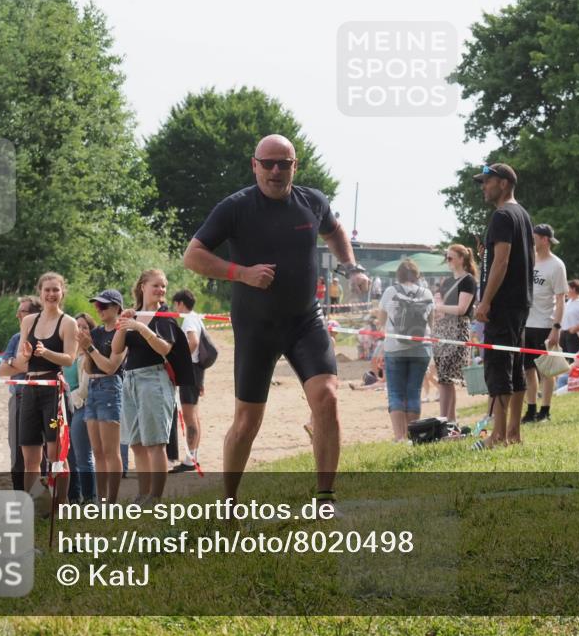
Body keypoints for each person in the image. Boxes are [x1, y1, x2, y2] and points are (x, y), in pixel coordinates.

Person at [182, 134, 369, 503]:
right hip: (257, 328)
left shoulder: (312, 201)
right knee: (247, 423)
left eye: (283, 163)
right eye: (267, 163)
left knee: (327, 398)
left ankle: (325, 497)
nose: (275, 170)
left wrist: (351, 267)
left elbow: (335, 231)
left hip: (305, 321)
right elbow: (193, 255)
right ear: (254, 165)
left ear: (294, 166)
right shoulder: (234, 208)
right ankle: (230, 501)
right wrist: (241, 273)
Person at [472, 163, 534, 447]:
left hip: (502, 304)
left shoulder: (502, 215)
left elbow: (503, 261)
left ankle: (497, 435)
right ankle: (513, 433)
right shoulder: (522, 214)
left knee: (498, 368)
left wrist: (484, 302)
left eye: (488, 181)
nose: (484, 186)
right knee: (516, 366)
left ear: (504, 184)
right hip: (520, 303)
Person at [111, 269, 177, 504]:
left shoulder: (164, 316)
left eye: (163, 286)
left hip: (154, 380)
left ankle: (155, 497)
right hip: (129, 380)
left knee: (155, 442)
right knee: (137, 443)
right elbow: (117, 350)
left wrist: (141, 328)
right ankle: (143, 494)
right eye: (156, 285)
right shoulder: (133, 315)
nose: (160, 290)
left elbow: (164, 349)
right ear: (142, 287)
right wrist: (123, 324)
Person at [12, 272, 78, 503]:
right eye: (47, 290)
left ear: (62, 292)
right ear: (40, 292)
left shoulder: (68, 323)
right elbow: (21, 360)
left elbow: (70, 359)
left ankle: (61, 503)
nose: (51, 294)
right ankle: (32, 504)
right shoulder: (29, 321)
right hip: (30, 387)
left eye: (55, 290)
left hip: (54, 390)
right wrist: (25, 355)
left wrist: (47, 353)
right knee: (29, 455)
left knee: (56, 455)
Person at [377, 259, 435, 440]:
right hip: (421, 347)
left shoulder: (390, 291)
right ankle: (412, 436)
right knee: (413, 392)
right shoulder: (427, 293)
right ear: (417, 275)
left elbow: (381, 322)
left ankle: (399, 436)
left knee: (395, 392)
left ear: (398, 275)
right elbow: (431, 324)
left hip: (395, 347)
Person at [80, 288, 128, 503]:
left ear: (117, 307)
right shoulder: (97, 332)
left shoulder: (122, 331)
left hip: (110, 386)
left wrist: (89, 349)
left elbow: (110, 367)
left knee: (111, 451)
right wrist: (85, 349)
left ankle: (113, 501)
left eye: (103, 305)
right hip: (93, 386)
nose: (98, 309)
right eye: (96, 305)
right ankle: (101, 499)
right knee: (97, 451)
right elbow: (90, 369)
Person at [521, 224, 567, 424]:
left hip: (545, 324)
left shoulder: (557, 265)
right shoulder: (529, 261)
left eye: (534, 238)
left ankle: (545, 411)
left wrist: (556, 328)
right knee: (528, 370)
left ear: (545, 239)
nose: (531, 241)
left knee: (547, 370)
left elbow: (561, 299)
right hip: (526, 324)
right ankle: (531, 409)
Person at [0, 296, 42, 491]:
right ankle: (20, 500)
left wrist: (14, 363)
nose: (17, 315)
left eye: (22, 311)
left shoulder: (47, 336)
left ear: (33, 315)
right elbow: (2, 370)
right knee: (17, 455)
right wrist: (18, 363)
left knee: (44, 454)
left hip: (44, 397)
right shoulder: (16, 338)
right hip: (18, 397)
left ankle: (44, 502)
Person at [432, 244, 478, 422]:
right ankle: (448, 421)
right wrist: (439, 305)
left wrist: (440, 306)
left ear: (461, 259)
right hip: (443, 329)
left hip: (457, 329)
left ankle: (446, 420)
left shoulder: (468, 280)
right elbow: (443, 305)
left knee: (447, 378)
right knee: (444, 378)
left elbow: (461, 309)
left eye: (450, 257)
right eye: (447, 257)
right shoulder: (448, 281)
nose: (448, 261)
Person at [169, 289, 205, 474]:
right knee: (194, 416)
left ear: (180, 303)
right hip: (196, 370)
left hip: (190, 369)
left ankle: (190, 459)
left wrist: (179, 360)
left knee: (190, 416)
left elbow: (194, 342)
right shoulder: (197, 318)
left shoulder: (189, 319)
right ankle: (193, 456)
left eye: (176, 304)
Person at [65, 313, 96, 504]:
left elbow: (84, 390)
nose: (81, 330)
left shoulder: (88, 355)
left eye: (85, 327)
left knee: (83, 455)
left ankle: (90, 499)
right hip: (65, 406)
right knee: (69, 456)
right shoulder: (70, 352)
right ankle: (74, 497)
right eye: (78, 327)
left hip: (81, 406)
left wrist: (71, 397)